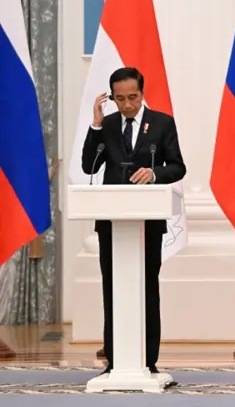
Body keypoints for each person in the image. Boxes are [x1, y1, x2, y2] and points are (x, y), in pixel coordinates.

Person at [81, 67, 186, 375]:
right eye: (120, 99)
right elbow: (90, 165)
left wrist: (155, 174)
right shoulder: (108, 125)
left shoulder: (162, 123)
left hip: (147, 221)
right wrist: (96, 126)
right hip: (112, 222)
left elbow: (178, 167)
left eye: (133, 97)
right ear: (111, 97)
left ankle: (147, 360)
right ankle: (115, 361)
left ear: (142, 93)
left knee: (146, 287)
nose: (127, 105)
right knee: (112, 288)